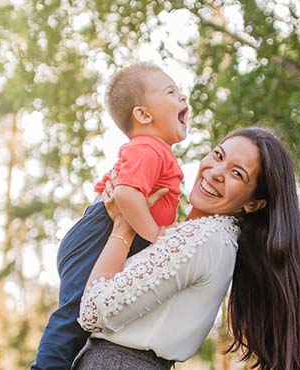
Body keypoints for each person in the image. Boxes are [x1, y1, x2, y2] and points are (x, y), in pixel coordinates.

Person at [76, 127, 300, 370]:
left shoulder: (202, 237)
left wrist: (123, 227)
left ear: (253, 204)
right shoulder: (214, 239)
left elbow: (93, 312)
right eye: (218, 155)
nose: (216, 172)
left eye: (237, 173)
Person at [31, 63, 189, 370]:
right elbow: (126, 195)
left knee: (88, 318)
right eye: (171, 92)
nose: (183, 97)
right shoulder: (149, 149)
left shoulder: (156, 152)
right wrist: (156, 236)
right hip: (98, 232)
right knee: (74, 313)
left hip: (99, 236)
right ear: (143, 115)